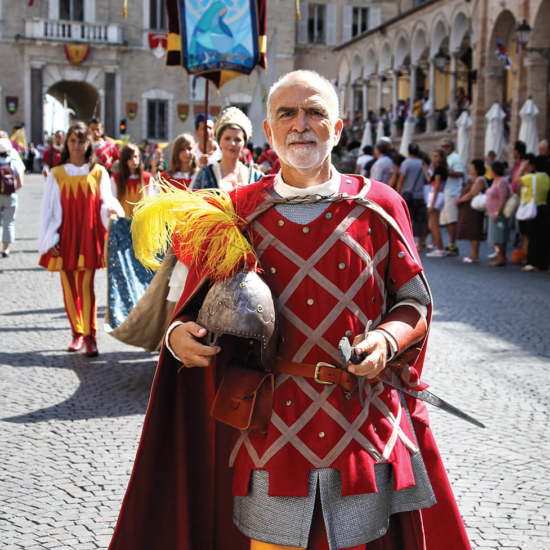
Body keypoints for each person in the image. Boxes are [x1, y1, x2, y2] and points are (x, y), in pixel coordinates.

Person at [109, 69, 471, 550]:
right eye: (287, 113)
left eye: (315, 112)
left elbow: (414, 302)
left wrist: (387, 340)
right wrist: (178, 337)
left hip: (361, 423)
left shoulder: (381, 206)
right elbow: (194, 306)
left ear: (336, 128)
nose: (301, 124)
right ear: (269, 130)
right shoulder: (236, 211)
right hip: (270, 429)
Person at [38, 121, 124, 356]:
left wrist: (112, 210)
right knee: (68, 286)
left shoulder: (98, 172)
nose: (77, 146)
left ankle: (89, 336)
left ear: (88, 144)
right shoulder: (56, 174)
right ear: (67, 143)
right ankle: (76, 333)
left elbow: (106, 200)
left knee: (86, 286)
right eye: (73, 141)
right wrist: (50, 238)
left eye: (81, 141)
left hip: (88, 235)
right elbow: (47, 210)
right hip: (64, 237)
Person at [191, 107, 263, 191]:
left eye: (237, 139)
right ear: (219, 141)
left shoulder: (255, 176)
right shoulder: (205, 176)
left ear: (244, 143)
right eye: (227, 138)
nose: (232, 144)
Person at [513, 155, 550, 272]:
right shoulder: (547, 178)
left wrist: (521, 167)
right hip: (544, 208)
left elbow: (516, 179)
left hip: (532, 209)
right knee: (543, 238)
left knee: (532, 237)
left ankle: (533, 262)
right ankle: (543, 263)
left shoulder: (532, 178)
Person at [397, 143, 428, 251]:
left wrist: (397, 193)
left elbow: (401, 180)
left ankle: (407, 243)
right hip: (420, 195)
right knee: (420, 220)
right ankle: (420, 243)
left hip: (407, 195)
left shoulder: (406, 163)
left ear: (408, 152)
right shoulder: (422, 163)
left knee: (406, 220)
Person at [111, 143, 155, 218]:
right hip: (121, 221)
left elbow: (151, 202)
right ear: (124, 160)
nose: (134, 160)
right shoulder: (115, 178)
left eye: (135, 156)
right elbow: (112, 203)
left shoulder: (147, 177)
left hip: (141, 221)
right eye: (130, 158)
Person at [456, 160, 487, 263]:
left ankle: (475, 255)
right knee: (471, 230)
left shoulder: (480, 180)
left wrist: (460, 200)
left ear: (477, 169)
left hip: (475, 209)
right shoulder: (472, 179)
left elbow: (472, 193)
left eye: (472, 167)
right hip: (469, 209)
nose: (470, 168)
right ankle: (473, 254)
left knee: (475, 231)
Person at [440, 138, 464, 257]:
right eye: (443, 146)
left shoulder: (455, 158)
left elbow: (460, 173)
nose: (444, 148)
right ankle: (451, 243)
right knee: (447, 221)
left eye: (447, 146)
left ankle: (452, 244)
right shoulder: (446, 158)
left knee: (451, 220)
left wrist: (445, 172)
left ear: (452, 147)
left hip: (452, 192)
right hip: (446, 191)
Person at [0, 138, 23, 258]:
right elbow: (20, 182)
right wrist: (12, 190)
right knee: (9, 222)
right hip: (10, 196)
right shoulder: (13, 161)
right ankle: (5, 249)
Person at [424, 149, 448, 258]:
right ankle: (439, 247)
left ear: (441, 158)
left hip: (436, 196)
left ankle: (440, 248)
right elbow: (431, 182)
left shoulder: (439, 169)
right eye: (434, 156)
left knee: (434, 224)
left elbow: (437, 187)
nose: (434, 158)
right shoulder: (440, 169)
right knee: (432, 224)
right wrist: (425, 170)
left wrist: (432, 204)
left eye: (437, 156)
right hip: (437, 195)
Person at [485, 161, 510, 266]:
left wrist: (497, 212)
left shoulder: (502, 181)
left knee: (499, 236)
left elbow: (503, 198)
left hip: (497, 212)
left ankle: (501, 257)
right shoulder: (496, 181)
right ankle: (500, 256)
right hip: (492, 212)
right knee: (495, 236)